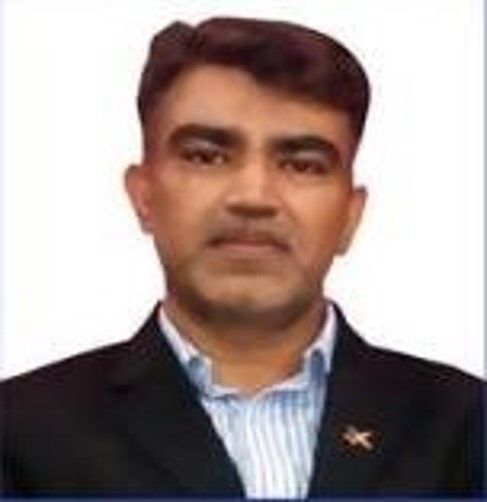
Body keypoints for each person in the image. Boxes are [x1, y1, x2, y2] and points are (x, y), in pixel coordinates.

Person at [1, 17, 484, 498]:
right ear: (143, 195)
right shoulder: (22, 432)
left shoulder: (465, 429)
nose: (253, 197)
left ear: (349, 216)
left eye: (302, 165)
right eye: (206, 157)